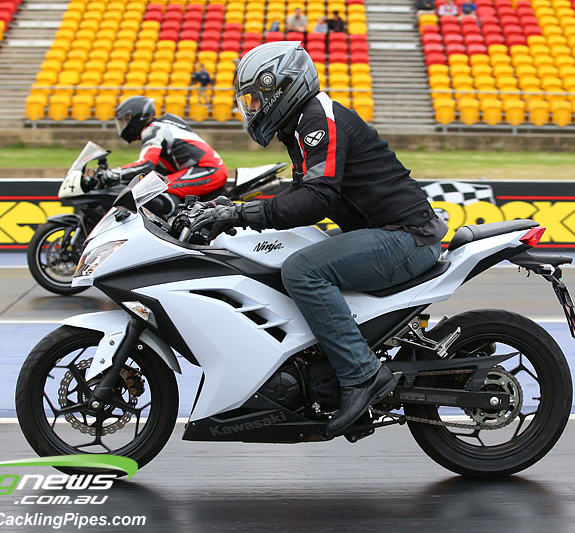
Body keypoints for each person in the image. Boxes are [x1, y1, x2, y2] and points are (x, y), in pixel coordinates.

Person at [191, 42, 447, 436]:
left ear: (281, 87)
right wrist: (232, 208)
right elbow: (301, 196)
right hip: (389, 233)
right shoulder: (302, 124)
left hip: (406, 237)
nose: (252, 109)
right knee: (291, 253)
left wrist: (240, 215)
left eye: (256, 98)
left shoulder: (317, 119)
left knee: (302, 271)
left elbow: (316, 199)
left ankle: (362, 375)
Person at [107, 96, 228, 216]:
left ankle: (175, 222)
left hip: (207, 170)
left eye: (125, 120)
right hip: (209, 169)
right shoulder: (165, 124)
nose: (123, 125)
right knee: (150, 183)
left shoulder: (153, 130)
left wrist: (114, 174)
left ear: (137, 117)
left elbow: (146, 164)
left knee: (154, 190)